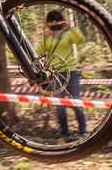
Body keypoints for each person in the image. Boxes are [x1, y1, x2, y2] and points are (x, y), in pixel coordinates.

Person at [36, 10, 87, 139]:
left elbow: (81, 39)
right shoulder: (46, 37)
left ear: (62, 21)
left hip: (70, 72)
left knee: (76, 101)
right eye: (51, 20)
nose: (54, 22)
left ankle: (83, 132)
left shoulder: (68, 34)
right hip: (54, 74)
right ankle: (65, 133)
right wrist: (45, 35)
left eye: (57, 20)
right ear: (47, 23)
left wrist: (69, 27)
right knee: (59, 106)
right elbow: (38, 52)